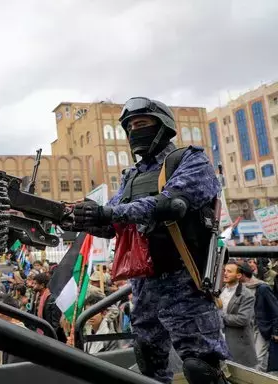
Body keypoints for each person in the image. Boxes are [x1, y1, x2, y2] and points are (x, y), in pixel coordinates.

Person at [73, 97, 230, 384]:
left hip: (185, 281)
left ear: (163, 127)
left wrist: (107, 212)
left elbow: (171, 204)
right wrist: (79, 219)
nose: (135, 131)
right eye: (130, 126)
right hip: (145, 285)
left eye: (142, 124)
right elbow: (112, 225)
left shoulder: (189, 160)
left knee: (201, 367)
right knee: (148, 362)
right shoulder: (132, 176)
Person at [219, 261, 256, 367]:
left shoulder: (247, 295)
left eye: (229, 271)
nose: (225, 273)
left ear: (239, 275)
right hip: (221, 341)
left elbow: (243, 319)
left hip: (238, 344)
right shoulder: (220, 291)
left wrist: (220, 317)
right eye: (224, 270)